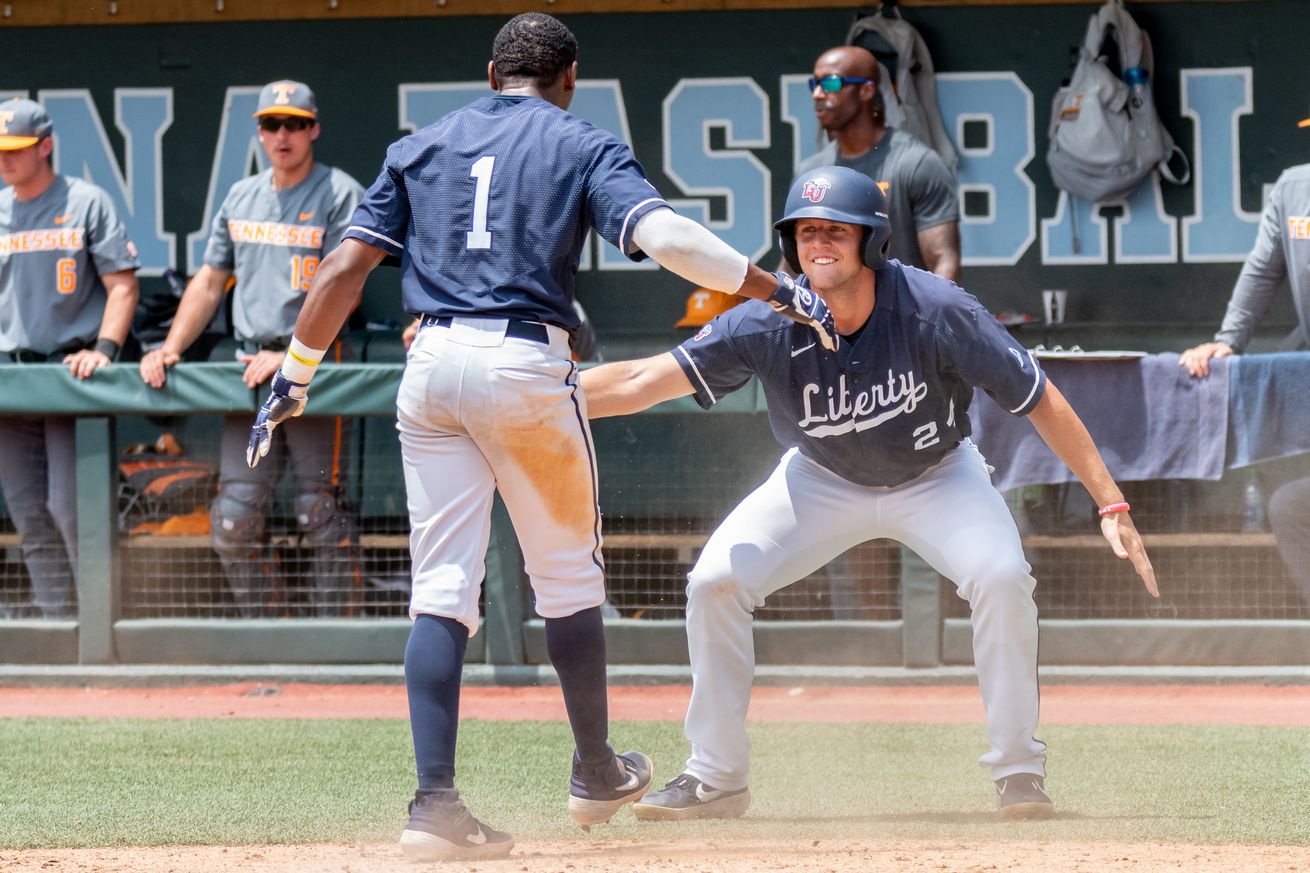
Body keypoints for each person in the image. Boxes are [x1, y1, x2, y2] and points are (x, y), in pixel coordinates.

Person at [240, 13, 837, 862]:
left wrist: (294, 377)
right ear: (570, 77)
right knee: (565, 576)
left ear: (492, 74)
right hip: (523, 362)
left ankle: (434, 804)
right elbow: (664, 238)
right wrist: (773, 288)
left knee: (442, 588)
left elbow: (342, 269)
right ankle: (596, 768)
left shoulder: (423, 143)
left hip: (432, 358)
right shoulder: (580, 141)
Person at [581, 166, 1158, 822]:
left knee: (1001, 575)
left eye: (835, 231)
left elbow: (1040, 398)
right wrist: (534, 398)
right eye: (804, 231)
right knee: (714, 580)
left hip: (937, 475)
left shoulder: (934, 308)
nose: (817, 243)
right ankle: (716, 777)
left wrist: (1111, 502)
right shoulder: (767, 322)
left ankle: (1019, 770)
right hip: (820, 477)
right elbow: (639, 381)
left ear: (873, 241)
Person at [138, 80, 364, 618]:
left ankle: (340, 636)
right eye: (271, 124)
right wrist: (170, 347)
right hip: (250, 365)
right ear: (260, 132)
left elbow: (345, 290)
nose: (282, 135)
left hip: (314, 364)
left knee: (317, 508)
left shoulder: (339, 192)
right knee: (235, 516)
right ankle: (268, 627)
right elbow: (211, 280)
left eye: (294, 123)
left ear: (313, 128)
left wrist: (291, 353)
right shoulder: (241, 195)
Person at [0, 97, 140, 619]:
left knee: (69, 508)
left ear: (45, 146)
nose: (5, 158)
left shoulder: (85, 201)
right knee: (27, 510)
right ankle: (55, 617)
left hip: (68, 373)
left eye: (16, 149)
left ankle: (99, 621)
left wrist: (103, 350)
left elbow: (122, 287)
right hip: (12, 375)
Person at [796, 45, 960, 281]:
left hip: (904, 313)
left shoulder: (916, 163)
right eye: (814, 84)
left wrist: (925, 317)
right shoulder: (812, 173)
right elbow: (791, 267)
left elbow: (944, 262)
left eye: (831, 83)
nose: (818, 94)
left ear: (866, 90)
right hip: (831, 317)